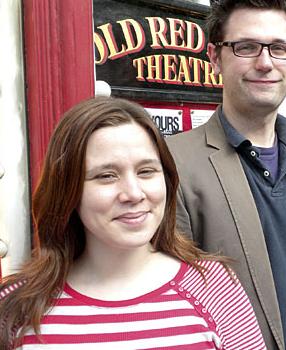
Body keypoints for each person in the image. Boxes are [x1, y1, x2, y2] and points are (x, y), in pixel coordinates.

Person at [165, 1, 286, 349]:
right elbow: (173, 304)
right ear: (214, 56)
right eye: (246, 47)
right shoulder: (176, 165)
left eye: (279, 48)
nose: (265, 62)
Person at [0, 97, 266, 350]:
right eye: (106, 176)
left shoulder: (213, 286)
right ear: (67, 191)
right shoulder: (17, 306)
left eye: (146, 171)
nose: (134, 193)